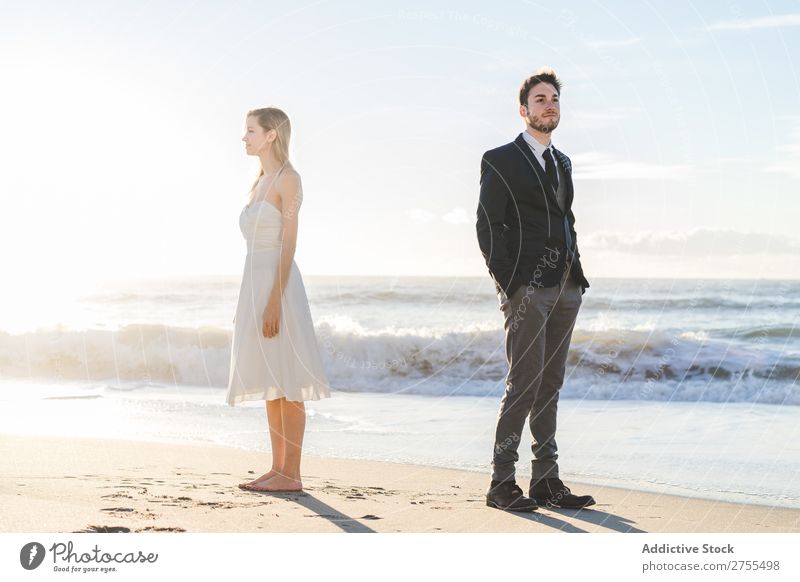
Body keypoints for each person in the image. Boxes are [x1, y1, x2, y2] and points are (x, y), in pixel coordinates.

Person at [476, 68, 595, 512]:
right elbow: (489, 225)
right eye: (541, 99)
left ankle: (546, 480)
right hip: (527, 288)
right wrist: (512, 285)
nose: (550, 105)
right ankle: (501, 483)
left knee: (551, 384)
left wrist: (576, 278)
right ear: (524, 110)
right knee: (523, 384)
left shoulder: (563, 162)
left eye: (555, 100)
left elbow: (567, 221)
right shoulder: (501, 159)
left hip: (566, 288)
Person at [226, 107, 330, 492]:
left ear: (271, 135)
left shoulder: (289, 179)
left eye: (251, 130)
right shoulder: (258, 182)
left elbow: (289, 244)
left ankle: (293, 474)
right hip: (252, 282)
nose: (244, 137)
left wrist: (273, 300)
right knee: (271, 379)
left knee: (289, 378)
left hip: (279, 284)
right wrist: (249, 304)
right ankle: (277, 468)